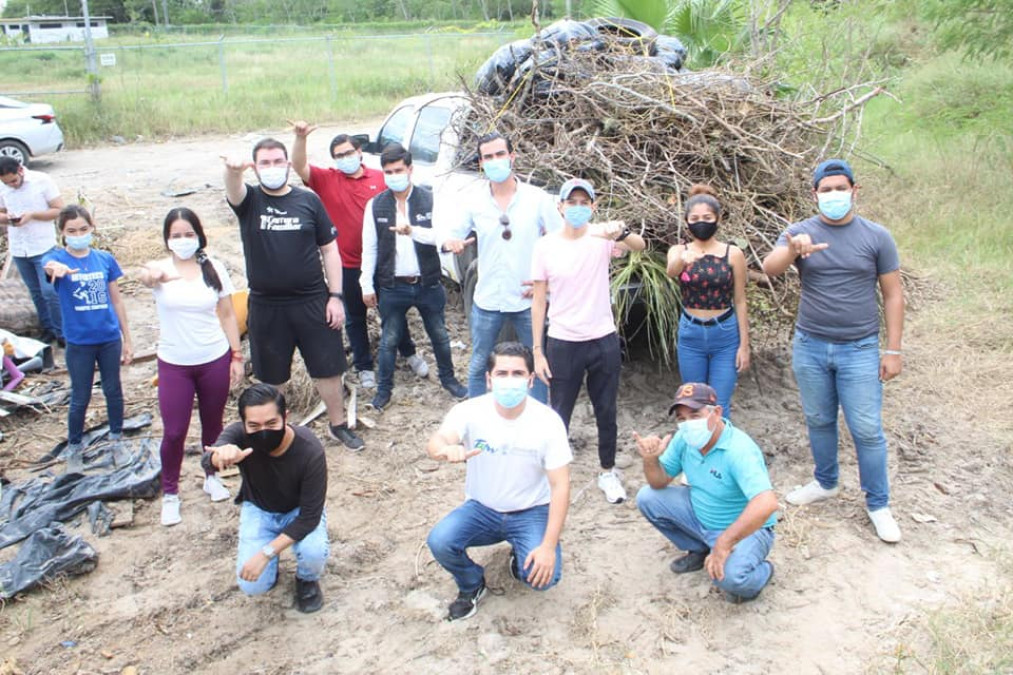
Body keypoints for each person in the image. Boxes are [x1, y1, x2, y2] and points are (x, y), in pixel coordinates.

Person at [761, 159, 904, 543]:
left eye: (841, 188)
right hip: (810, 345)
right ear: (815, 195)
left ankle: (878, 504)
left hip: (859, 348)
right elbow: (770, 267)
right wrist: (792, 250)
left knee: (867, 429)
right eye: (826, 190)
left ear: (854, 191)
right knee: (819, 418)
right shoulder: (799, 233)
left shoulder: (876, 237)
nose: (834, 195)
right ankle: (825, 482)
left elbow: (892, 294)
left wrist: (893, 350)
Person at [223, 137, 363, 450]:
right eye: (265, 163)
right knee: (272, 376)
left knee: (328, 368)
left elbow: (329, 250)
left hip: (312, 301)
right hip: (266, 305)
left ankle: (338, 425)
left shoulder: (308, 201)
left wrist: (336, 297)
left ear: (287, 164)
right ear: (255, 168)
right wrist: (233, 172)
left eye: (277, 161)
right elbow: (234, 189)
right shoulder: (250, 201)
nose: (272, 168)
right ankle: (275, 431)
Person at [425, 342, 571, 621]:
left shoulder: (548, 422)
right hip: (482, 509)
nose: (509, 380)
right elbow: (436, 441)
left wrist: (548, 547)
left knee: (543, 578)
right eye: (502, 373)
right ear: (489, 380)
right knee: (440, 541)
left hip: (532, 510)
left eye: (518, 374)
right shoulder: (469, 411)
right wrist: (445, 449)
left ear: (530, 380)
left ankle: (521, 558)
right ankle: (471, 583)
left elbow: (560, 486)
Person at [530, 178, 646, 504]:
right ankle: (553, 475)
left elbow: (639, 246)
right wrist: (538, 351)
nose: (578, 208)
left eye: (585, 202)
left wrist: (620, 232)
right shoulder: (546, 246)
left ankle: (608, 471)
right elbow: (539, 301)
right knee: (559, 413)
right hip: (563, 341)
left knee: (606, 410)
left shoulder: (601, 238)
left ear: (593, 206)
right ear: (560, 207)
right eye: (572, 202)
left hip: (603, 339)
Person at [290, 122, 427, 388]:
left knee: (393, 311)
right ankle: (364, 365)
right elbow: (298, 165)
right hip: (348, 265)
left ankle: (408, 352)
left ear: (360, 152)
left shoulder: (380, 178)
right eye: (339, 155)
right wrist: (300, 138)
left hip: (385, 262)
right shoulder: (327, 180)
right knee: (355, 317)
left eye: (348, 152)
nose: (345, 159)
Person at [140, 208, 245, 527]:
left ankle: (211, 475)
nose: (183, 240)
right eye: (176, 235)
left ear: (199, 235)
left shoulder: (213, 267)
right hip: (175, 362)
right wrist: (151, 275)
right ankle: (170, 493)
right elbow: (143, 276)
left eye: (189, 234)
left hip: (213, 357)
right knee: (174, 431)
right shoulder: (159, 269)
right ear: (167, 239)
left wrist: (236, 355)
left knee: (213, 425)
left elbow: (227, 314)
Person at [440, 132, 562, 403]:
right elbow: (451, 234)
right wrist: (452, 243)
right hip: (487, 299)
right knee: (479, 363)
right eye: (488, 157)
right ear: (481, 163)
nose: (495, 161)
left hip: (527, 301)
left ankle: (537, 419)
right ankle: (476, 416)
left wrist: (549, 284)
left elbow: (560, 242)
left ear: (512, 157)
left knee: (536, 363)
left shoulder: (537, 199)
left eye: (500, 155)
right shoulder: (473, 200)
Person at [634, 382, 778, 603]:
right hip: (701, 513)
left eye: (695, 415)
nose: (688, 424)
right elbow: (659, 482)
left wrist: (724, 543)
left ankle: (763, 571)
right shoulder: (684, 439)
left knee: (731, 580)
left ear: (716, 413)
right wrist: (650, 459)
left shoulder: (738, 449)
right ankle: (699, 549)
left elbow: (766, 503)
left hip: (744, 529)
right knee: (647, 497)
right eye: (681, 419)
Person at [202, 384, 329, 613]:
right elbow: (208, 458)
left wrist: (266, 553)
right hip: (259, 509)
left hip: (298, 511)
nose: (263, 431)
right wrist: (221, 456)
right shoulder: (237, 435)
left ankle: (306, 579)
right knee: (252, 586)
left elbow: (309, 517)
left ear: (285, 417)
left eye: (271, 423)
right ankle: (272, 567)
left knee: (314, 551)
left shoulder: (310, 450)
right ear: (244, 423)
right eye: (254, 425)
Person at [359, 143, 467, 411]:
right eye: (388, 171)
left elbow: (441, 236)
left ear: (410, 169)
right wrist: (366, 283)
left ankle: (449, 380)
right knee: (389, 340)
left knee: (439, 335)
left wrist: (415, 231)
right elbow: (370, 248)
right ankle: (384, 391)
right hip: (393, 285)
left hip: (427, 282)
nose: (393, 175)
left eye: (398, 170)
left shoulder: (430, 199)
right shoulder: (376, 205)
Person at [42, 205, 133, 472]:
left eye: (83, 229)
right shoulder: (57, 259)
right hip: (79, 342)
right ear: (62, 233)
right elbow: (48, 266)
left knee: (113, 390)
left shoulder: (104, 259)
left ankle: (117, 439)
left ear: (92, 228)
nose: (78, 234)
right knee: (80, 396)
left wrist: (127, 338)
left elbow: (116, 300)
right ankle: (74, 446)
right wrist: (55, 267)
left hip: (108, 338)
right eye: (72, 231)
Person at [665, 184, 751, 416]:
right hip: (690, 332)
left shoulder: (733, 253)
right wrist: (684, 259)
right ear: (686, 221)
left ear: (718, 219)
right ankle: (697, 450)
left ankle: (721, 449)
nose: (701, 222)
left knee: (719, 404)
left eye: (707, 217)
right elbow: (671, 271)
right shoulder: (679, 250)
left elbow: (741, 300)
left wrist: (744, 346)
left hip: (725, 333)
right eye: (694, 218)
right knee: (692, 402)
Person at [0, 157, 65, 345]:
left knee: (50, 292)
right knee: (35, 292)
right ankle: (48, 330)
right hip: (19, 248)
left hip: (42, 245)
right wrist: (8, 218)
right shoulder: (4, 187)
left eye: (13, 181)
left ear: (20, 171)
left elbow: (59, 209)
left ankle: (62, 332)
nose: (11, 185)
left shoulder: (41, 180)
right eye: (6, 183)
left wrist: (33, 215)